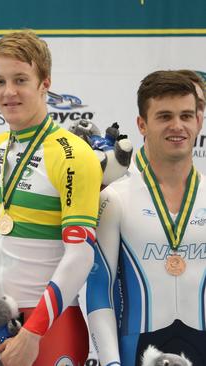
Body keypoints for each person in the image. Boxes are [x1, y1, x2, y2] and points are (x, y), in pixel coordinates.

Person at [0, 30, 101, 366]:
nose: (8, 92)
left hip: (49, 326)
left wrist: (33, 332)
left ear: (44, 83)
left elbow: (80, 257)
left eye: (20, 79)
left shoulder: (73, 153)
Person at [87, 71, 205, 365]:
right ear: (142, 124)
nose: (177, 126)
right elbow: (100, 292)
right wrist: (111, 363)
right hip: (136, 350)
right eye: (164, 116)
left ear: (198, 121)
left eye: (186, 116)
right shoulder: (115, 198)